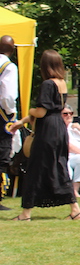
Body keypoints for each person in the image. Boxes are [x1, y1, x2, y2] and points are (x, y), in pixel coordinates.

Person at [9, 50, 80, 221]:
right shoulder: (62, 83)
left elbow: (41, 112)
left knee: (36, 167)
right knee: (59, 165)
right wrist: (23, 121)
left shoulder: (48, 84)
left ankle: (26, 213)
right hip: (58, 127)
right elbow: (53, 109)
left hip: (47, 129)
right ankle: (75, 209)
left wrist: (29, 110)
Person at [0, 35, 19, 210]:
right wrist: (11, 113)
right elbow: (7, 96)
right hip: (1, 116)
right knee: (2, 155)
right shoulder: (8, 67)